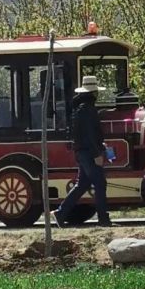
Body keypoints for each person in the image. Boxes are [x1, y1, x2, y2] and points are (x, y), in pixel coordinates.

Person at [52, 76, 111, 227]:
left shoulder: (79, 109)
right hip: (89, 152)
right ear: (94, 92)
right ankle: (103, 218)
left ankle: (61, 213)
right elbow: (90, 134)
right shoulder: (88, 110)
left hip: (81, 152)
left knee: (83, 184)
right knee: (99, 183)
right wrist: (97, 153)